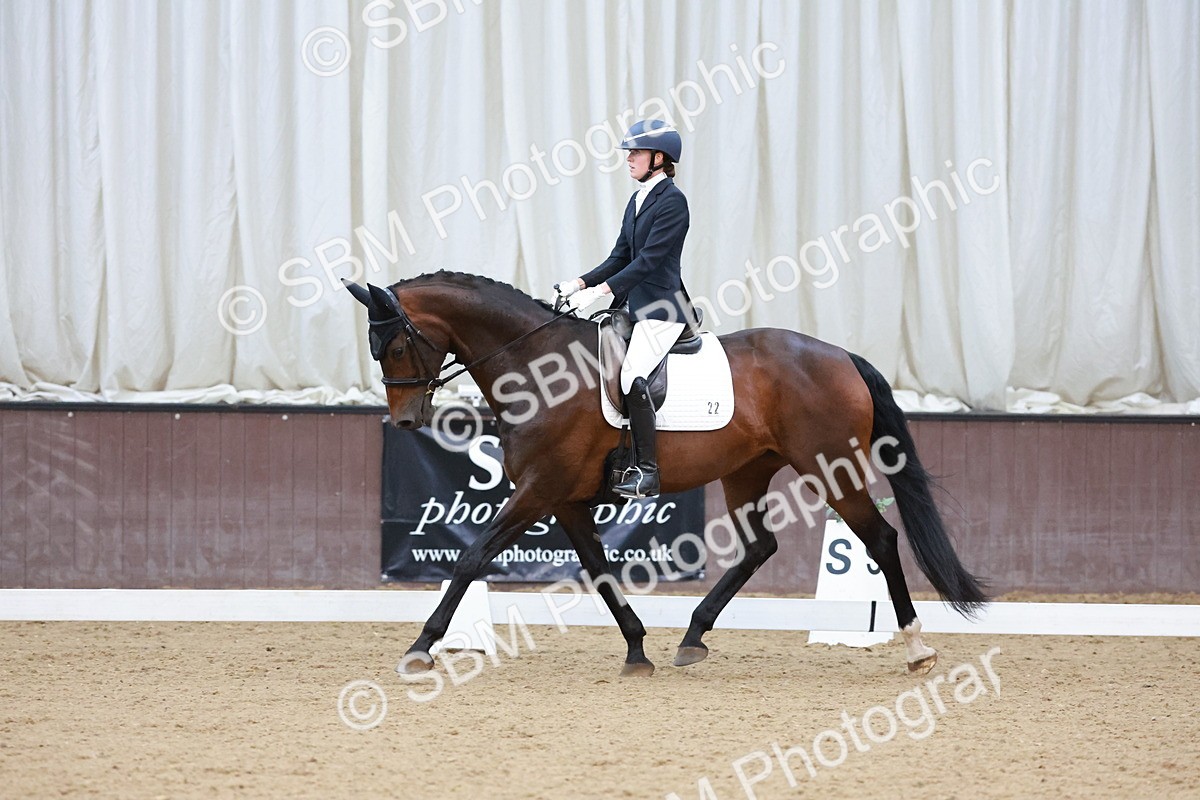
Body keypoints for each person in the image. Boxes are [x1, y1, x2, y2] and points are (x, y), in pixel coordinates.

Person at [555, 119, 696, 498]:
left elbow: (649, 261)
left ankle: (647, 470)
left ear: (658, 157)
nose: (629, 159)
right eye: (629, 153)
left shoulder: (673, 202)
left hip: (662, 308)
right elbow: (620, 256)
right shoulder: (637, 200)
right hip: (632, 307)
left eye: (635, 152)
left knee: (633, 376)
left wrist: (600, 291)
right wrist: (578, 284)